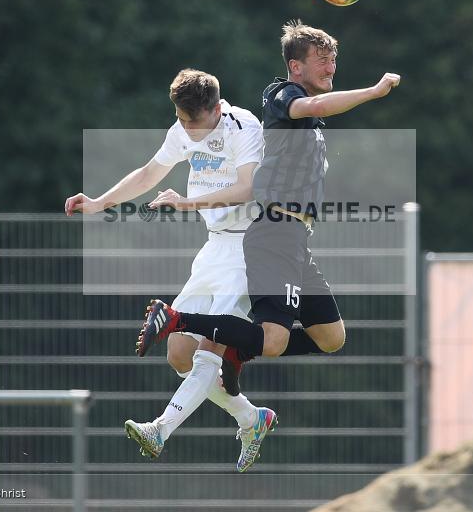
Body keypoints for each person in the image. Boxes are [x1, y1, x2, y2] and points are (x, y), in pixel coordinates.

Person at [136, 20, 401, 395]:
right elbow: (315, 104)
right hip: (275, 231)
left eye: (333, 60)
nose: (331, 68)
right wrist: (373, 92)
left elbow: (315, 110)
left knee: (331, 337)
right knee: (273, 340)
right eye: (322, 60)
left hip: (295, 237)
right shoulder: (282, 95)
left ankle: (237, 350)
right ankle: (177, 319)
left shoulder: (307, 114)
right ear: (296, 66)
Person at [64, 69, 275, 471]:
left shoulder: (243, 126)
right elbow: (149, 172)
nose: (187, 130)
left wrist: (185, 203)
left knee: (210, 350)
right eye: (181, 120)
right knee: (179, 354)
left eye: (194, 122)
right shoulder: (183, 127)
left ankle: (159, 429)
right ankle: (252, 418)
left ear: (216, 109)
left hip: (250, 249)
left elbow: (249, 188)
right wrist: (99, 202)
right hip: (215, 247)